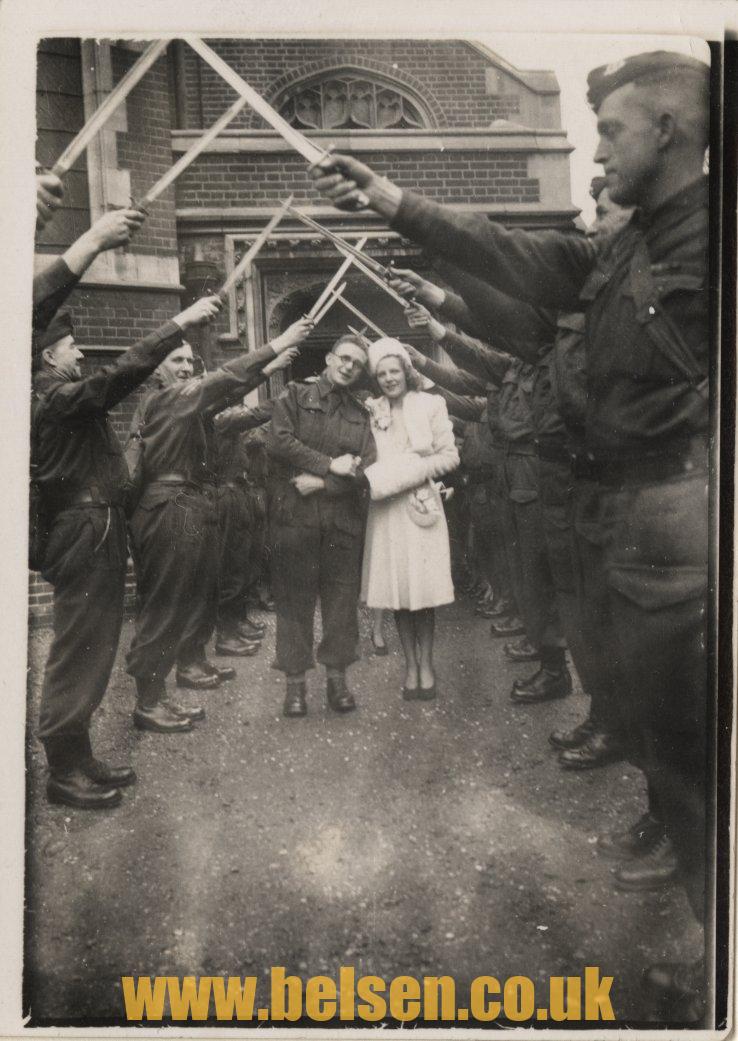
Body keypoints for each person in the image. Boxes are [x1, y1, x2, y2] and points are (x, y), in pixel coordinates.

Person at [311, 51, 711, 1017]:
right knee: (675, 752)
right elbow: (526, 265)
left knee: (700, 756)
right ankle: (718, 939)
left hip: (682, 512)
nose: (597, 150)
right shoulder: (635, 245)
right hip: (627, 517)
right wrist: (396, 200)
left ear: (666, 129)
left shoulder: (707, 244)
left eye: (611, 130)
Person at [32, 295, 221, 810]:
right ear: (49, 356)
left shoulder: (65, 395)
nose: (79, 356)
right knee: (77, 651)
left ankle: (79, 754)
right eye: (71, 348)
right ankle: (62, 769)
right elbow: (116, 378)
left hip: (100, 523)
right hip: (84, 526)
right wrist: (177, 323)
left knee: (94, 648)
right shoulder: (56, 398)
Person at [125, 319, 313, 730]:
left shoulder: (179, 402)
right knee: (168, 601)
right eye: (176, 360)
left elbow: (227, 390)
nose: (187, 367)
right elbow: (223, 380)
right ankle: (148, 702)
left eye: (190, 361)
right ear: (155, 369)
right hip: (171, 505)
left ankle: (160, 691)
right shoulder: (167, 400)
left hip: (186, 503)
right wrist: (276, 344)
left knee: (190, 593)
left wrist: (268, 366)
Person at [265, 334, 376, 718]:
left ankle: (337, 683)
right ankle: (295, 687)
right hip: (295, 519)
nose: (348, 366)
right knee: (294, 604)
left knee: (341, 606)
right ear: (329, 358)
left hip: (341, 523)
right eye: (344, 358)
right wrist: (329, 465)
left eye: (357, 364)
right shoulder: (294, 396)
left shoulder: (362, 414)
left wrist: (323, 483)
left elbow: (366, 468)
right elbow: (278, 443)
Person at [360, 338, 459, 698]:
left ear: (406, 370)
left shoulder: (430, 404)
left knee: (423, 589)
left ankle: (427, 664)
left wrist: (408, 473)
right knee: (398, 591)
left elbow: (449, 457)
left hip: (421, 507)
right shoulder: (372, 410)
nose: (389, 378)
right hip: (386, 511)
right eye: (381, 373)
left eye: (394, 370)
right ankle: (410, 666)